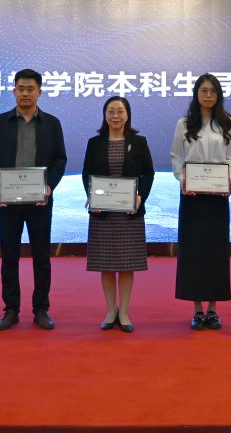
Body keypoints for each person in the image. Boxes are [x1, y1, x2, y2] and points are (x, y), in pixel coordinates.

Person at [0, 69, 67, 331]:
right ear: (13, 91)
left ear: (39, 92)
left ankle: (41, 309)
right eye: (20, 89)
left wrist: (49, 186)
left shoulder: (51, 123)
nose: (25, 93)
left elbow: (60, 159)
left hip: (40, 201)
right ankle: (11, 309)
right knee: (9, 257)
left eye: (30, 89)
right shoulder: (0, 122)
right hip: (7, 202)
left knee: (42, 256)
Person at [82, 97, 155, 333]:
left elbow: (148, 173)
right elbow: (86, 174)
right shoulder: (95, 143)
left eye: (120, 111)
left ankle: (123, 312)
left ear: (127, 115)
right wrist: (92, 197)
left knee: (126, 265)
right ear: (104, 115)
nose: (115, 116)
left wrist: (140, 196)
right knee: (105, 264)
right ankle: (110, 310)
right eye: (111, 111)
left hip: (129, 212)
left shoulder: (139, 142)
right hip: (103, 213)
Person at [170, 73, 231, 330]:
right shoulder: (185, 123)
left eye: (213, 91)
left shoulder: (227, 123)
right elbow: (176, 156)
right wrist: (182, 180)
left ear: (218, 95)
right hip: (192, 196)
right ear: (196, 94)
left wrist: (228, 178)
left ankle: (214, 309)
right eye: (203, 90)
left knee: (215, 251)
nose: (208, 95)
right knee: (194, 251)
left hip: (218, 197)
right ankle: (197, 309)